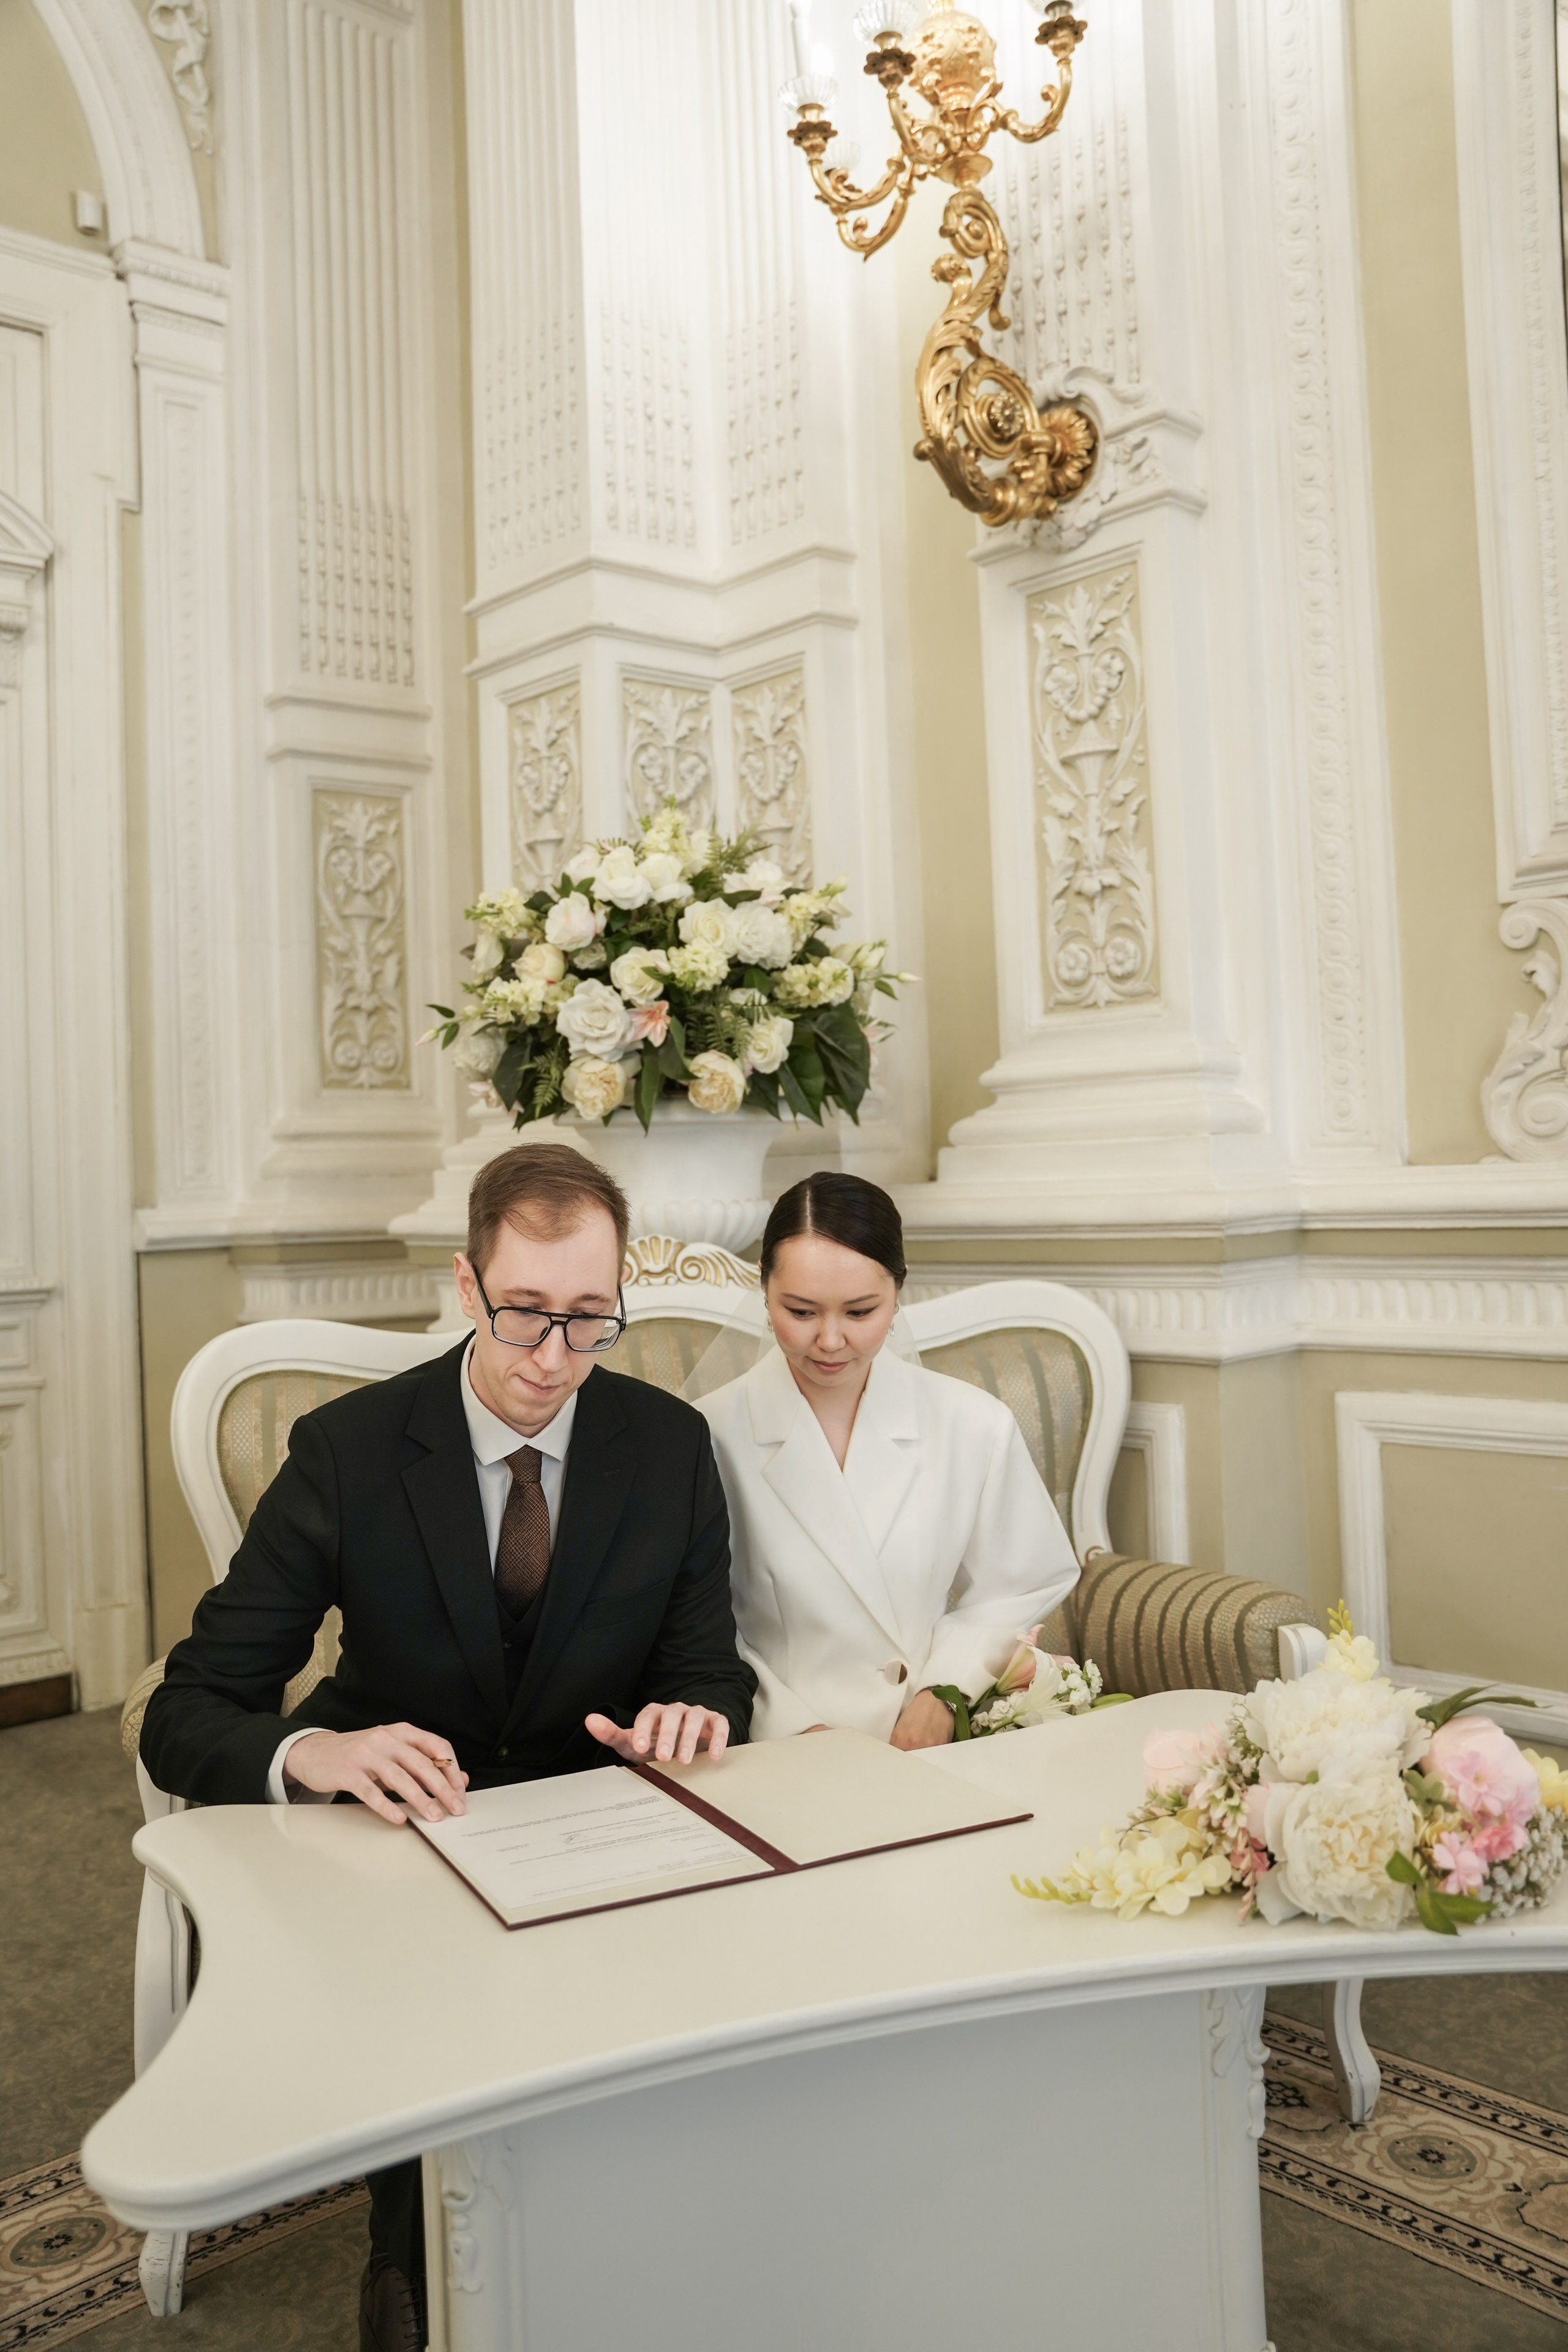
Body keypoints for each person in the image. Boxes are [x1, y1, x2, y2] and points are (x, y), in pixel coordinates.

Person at [140, 1144, 755, 2352]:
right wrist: (311, 1758)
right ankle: (407, 2261)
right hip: (399, 1843)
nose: (550, 1360)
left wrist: (695, 1713)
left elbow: (706, 1669)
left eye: (589, 1323)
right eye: (524, 1314)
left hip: (591, 1838)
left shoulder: (668, 1447)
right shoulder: (348, 1450)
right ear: (466, 1286)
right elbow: (189, 1709)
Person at [696, 1172, 1079, 1749]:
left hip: (930, 1742)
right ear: (764, 1290)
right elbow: (695, 1628)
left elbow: (1023, 1581)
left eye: (859, 1312)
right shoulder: (705, 1434)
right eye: (800, 1312)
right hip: (778, 1751)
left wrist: (945, 1693)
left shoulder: (973, 1424)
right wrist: (798, 1729)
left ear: (898, 1292)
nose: (829, 1341)